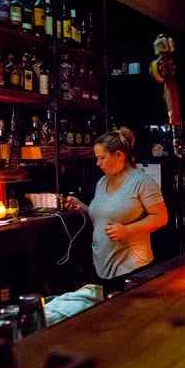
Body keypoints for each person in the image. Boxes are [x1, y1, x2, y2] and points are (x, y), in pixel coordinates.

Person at [61, 126, 168, 295]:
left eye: (102, 158)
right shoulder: (102, 182)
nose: (98, 163)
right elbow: (104, 216)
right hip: (101, 268)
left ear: (119, 155)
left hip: (132, 269)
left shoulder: (142, 182)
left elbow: (161, 217)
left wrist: (126, 230)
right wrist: (81, 206)